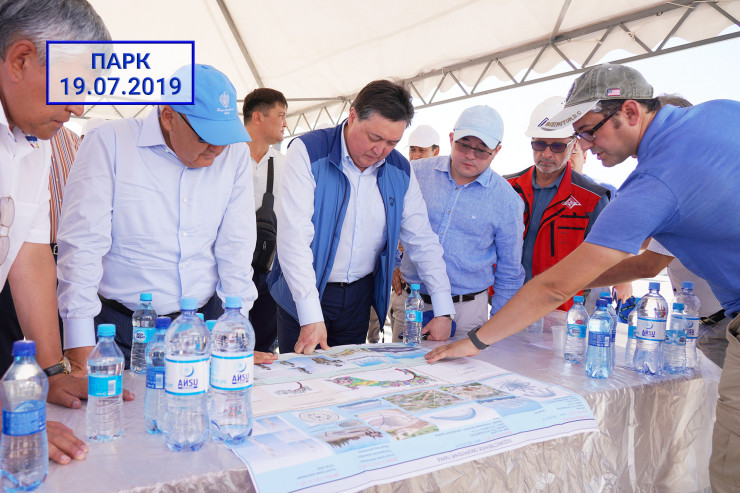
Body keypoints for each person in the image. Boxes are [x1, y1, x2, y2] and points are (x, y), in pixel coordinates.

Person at [425, 63, 740, 493]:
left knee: (731, 467)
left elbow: (555, 286)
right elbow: (639, 265)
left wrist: (476, 341)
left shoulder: (652, 182)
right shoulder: (722, 111)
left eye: (588, 133)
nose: (586, 147)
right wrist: (576, 279)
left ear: (630, 112)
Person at [56, 64, 278, 368]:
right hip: (121, 331)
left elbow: (236, 246)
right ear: (169, 116)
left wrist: (235, 328)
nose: (217, 149)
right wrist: (80, 347)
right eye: (206, 136)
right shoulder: (111, 142)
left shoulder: (235, 153)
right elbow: (82, 246)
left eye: (224, 136)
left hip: (205, 324)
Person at [0, 0, 112, 465]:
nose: (79, 107)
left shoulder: (32, 136)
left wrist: (50, 372)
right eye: (73, 87)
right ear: (21, 59)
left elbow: (28, 253)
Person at [268, 80, 455, 355]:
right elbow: (293, 239)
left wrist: (443, 310)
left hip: (358, 298)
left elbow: (422, 240)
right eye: (374, 138)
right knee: (303, 376)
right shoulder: (308, 151)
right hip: (303, 290)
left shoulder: (400, 170)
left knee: (348, 375)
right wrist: (310, 314)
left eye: (392, 143)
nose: (380, 151)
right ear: (353, 116)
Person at [391, 105, 524, 341]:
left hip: (467, 314)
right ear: (451, 138)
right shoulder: (416, 173)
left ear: (497, 151)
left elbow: (509, 273)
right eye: (464, 145)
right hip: (411, 302)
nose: (470, 155)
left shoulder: (507, 201)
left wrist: (497, 330)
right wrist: (393, 262)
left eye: (481, 150)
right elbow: (387, 220)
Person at [505, 96, 631, 310]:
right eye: (539, 144)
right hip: (505, 303)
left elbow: (606, 256)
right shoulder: (507, 188)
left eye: (557, 146)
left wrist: (623, 282)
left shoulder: (593, 199)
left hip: (562, 312)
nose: (546, 154)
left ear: (573, 145)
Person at [242, 88, 287, 353]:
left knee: (264, 348)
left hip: (269, 271)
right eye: (280, 115)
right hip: (227, 270)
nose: (285, 123)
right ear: (258, 117)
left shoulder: (285, 165)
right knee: (229, 343)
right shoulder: (224, 157)